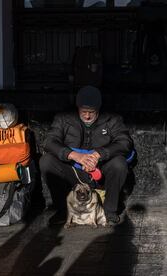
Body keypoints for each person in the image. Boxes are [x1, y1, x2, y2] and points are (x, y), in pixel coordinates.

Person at [39, 85, 134, 226]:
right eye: (84, 112)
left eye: (92, 112)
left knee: (119, 164)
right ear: (77, 108)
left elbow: (125, 142)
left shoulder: (112, 119)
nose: (87, 116)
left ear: (99, 109)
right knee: (46, 161)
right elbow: (49, 141)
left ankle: (110, 211)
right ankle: (62, 210)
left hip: (101, 170)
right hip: (75, 171)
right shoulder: (64, 118)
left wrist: (99, 154)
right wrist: (73, 155)